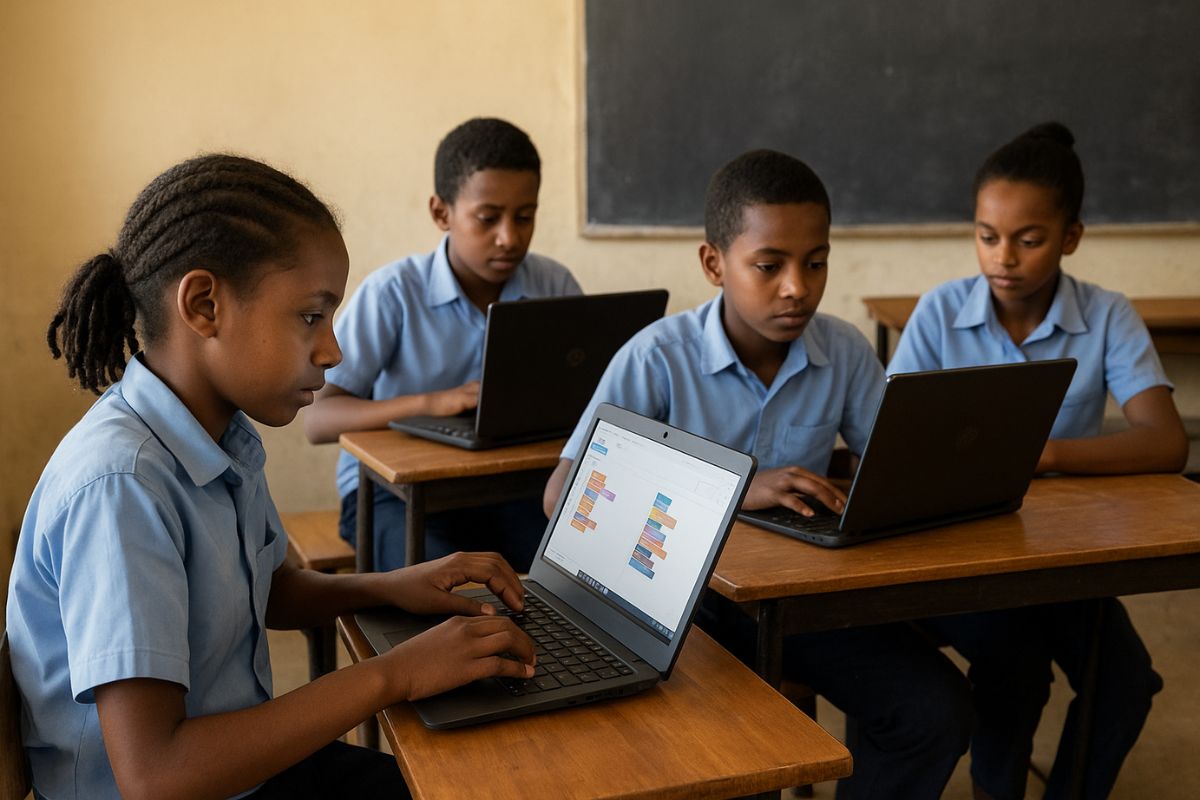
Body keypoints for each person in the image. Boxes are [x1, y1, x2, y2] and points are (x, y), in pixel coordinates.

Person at [6, 154, 536, 800]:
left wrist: (396, 586)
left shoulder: (221, 434)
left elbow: (273, 589)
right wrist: (393, 675)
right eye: (312, 316)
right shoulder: (123, 486)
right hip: (188, 782)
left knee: (475, 780)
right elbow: (156, 776)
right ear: (205, 305)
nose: (333, 351)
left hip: (235, 770)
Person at [544, 149, 973, 800]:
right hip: (683, 613)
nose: (797, 286)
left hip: (801, 603)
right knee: (746, 758)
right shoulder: (657, 358)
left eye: (816, 262)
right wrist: (739, 489)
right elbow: (562, 498)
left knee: (933, 709)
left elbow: (894, 463)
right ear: (714, 263)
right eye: (769, 266)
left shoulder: (844, 353)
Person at [888, 122, 1187, 800]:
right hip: (958, 553)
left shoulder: (1107, 316)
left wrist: (1047, 453)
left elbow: (1165, 441)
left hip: (1057, 553)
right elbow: (891, 438)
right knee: (1013, 672)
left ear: (1071, 237)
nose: (1005, 258)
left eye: (1030, 239)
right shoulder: (939, 314)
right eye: (988, 236)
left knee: (1127, 684)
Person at [305, 117, 581, 572]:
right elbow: (317, 419)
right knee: (443, 593)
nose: (509, 237)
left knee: (579, 576)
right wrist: (431, 403)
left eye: (525, 216)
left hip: (515, 488)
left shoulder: (555, 284)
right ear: (441, 213)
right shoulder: (393, 294)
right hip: (392, 495)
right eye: (488, 218)